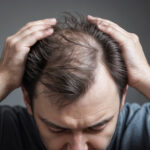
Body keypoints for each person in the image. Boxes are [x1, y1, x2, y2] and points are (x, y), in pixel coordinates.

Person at [0, 12, 150, 150]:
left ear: (123, 96)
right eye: (57, 129)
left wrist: (145, 76)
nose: (78, 148)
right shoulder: (7, 131)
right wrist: (4, 79)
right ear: (27, 99)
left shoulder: (143, 128)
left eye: (97, 127)